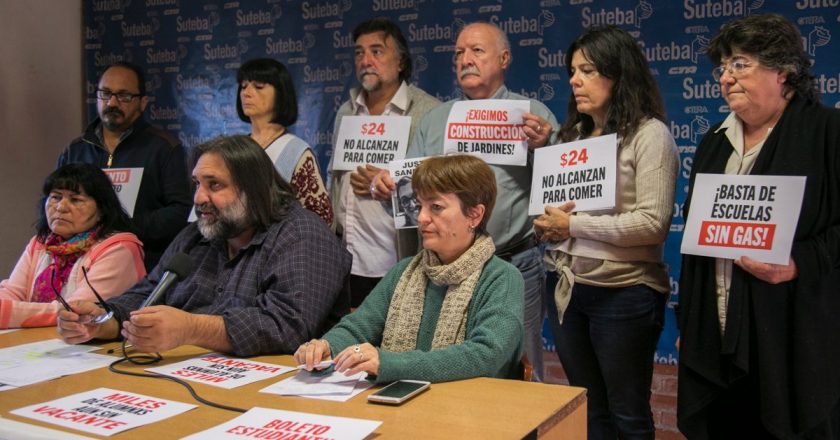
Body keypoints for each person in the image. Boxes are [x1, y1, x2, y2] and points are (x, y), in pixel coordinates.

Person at [678, 14, 840, 439]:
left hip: (792, 341)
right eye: (723, 67)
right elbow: (697, 241)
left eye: (740, 64)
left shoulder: (827, 131)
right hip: (716, 336)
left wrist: (799, 262)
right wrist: (691, 327)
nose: (726, 78)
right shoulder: (714, 140)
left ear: (782, 70)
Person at [371, 21, 558, 381]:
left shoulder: (533, 116)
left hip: (513, 263)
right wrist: (387, 186)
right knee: (454, 363)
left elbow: (559, 188)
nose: (465, 59)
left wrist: (544, 147)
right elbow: (412, 187)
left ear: (504, 58)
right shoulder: (436, 120)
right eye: (458, 53)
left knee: (523, 365)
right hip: (445, 271)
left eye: (476, 50)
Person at [58, 135, 352, 357]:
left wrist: (190, 328)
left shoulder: (302, 233)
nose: (198, 198)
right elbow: (147, 294)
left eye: (214, 185)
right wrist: (104, 320)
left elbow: (287, 326)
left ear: (254, 190)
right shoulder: (196, 237)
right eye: (196, 184)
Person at [534, 25, 678, 438]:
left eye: (588, 70)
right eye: (572, 70)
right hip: (566, 289)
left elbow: (652, 225)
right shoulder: (571, 137)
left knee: (628, 414)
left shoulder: (650, 136)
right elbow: (558, 215)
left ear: (618, 74)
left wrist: (572, 224)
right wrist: (548, 225)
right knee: (589, 408)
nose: (574, 80)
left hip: (625, 293)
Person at [296, 155, 523, 383]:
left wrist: (390, 364)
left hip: (471, 409)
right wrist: (327, 346)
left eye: (436, 207)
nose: (422, 218)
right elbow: (358, 327)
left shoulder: (502, 278)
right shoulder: (404, 270)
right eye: (419, 206)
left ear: (474, 214)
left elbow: (485, 356)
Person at [329, 17, 440, 308]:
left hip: (398, 259)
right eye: (359, 53)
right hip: (347, 259)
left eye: (376, 51)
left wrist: (393, 182)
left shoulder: (429, 112)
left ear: (401, 61)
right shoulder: (346, 112)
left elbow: (440, 185)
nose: (366, 60)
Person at [58, 62, 192, 272]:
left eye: (124, 96)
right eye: (106, 93)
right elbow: (54, 200)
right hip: (79, 264)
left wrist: (123, 227)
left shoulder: (164, 148)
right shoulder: (75, 150)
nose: (112, 102)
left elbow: (180, 210)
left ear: (143, 102)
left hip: (143, 266)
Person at [0, 163, 145, 329]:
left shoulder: (119, 248)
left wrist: (6, 312)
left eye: (76, 200)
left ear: (101, 211)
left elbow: (77, 312)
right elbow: (12, 292)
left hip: (93, 346)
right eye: (55, 197)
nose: (61, 207)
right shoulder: (41, 242)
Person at [236, 58, 333, 225]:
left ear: (280, 93)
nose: (247, 92)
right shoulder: (235, 149)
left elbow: (322, 219)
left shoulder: (296, 152)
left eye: (258, 86)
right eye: (243, 86)